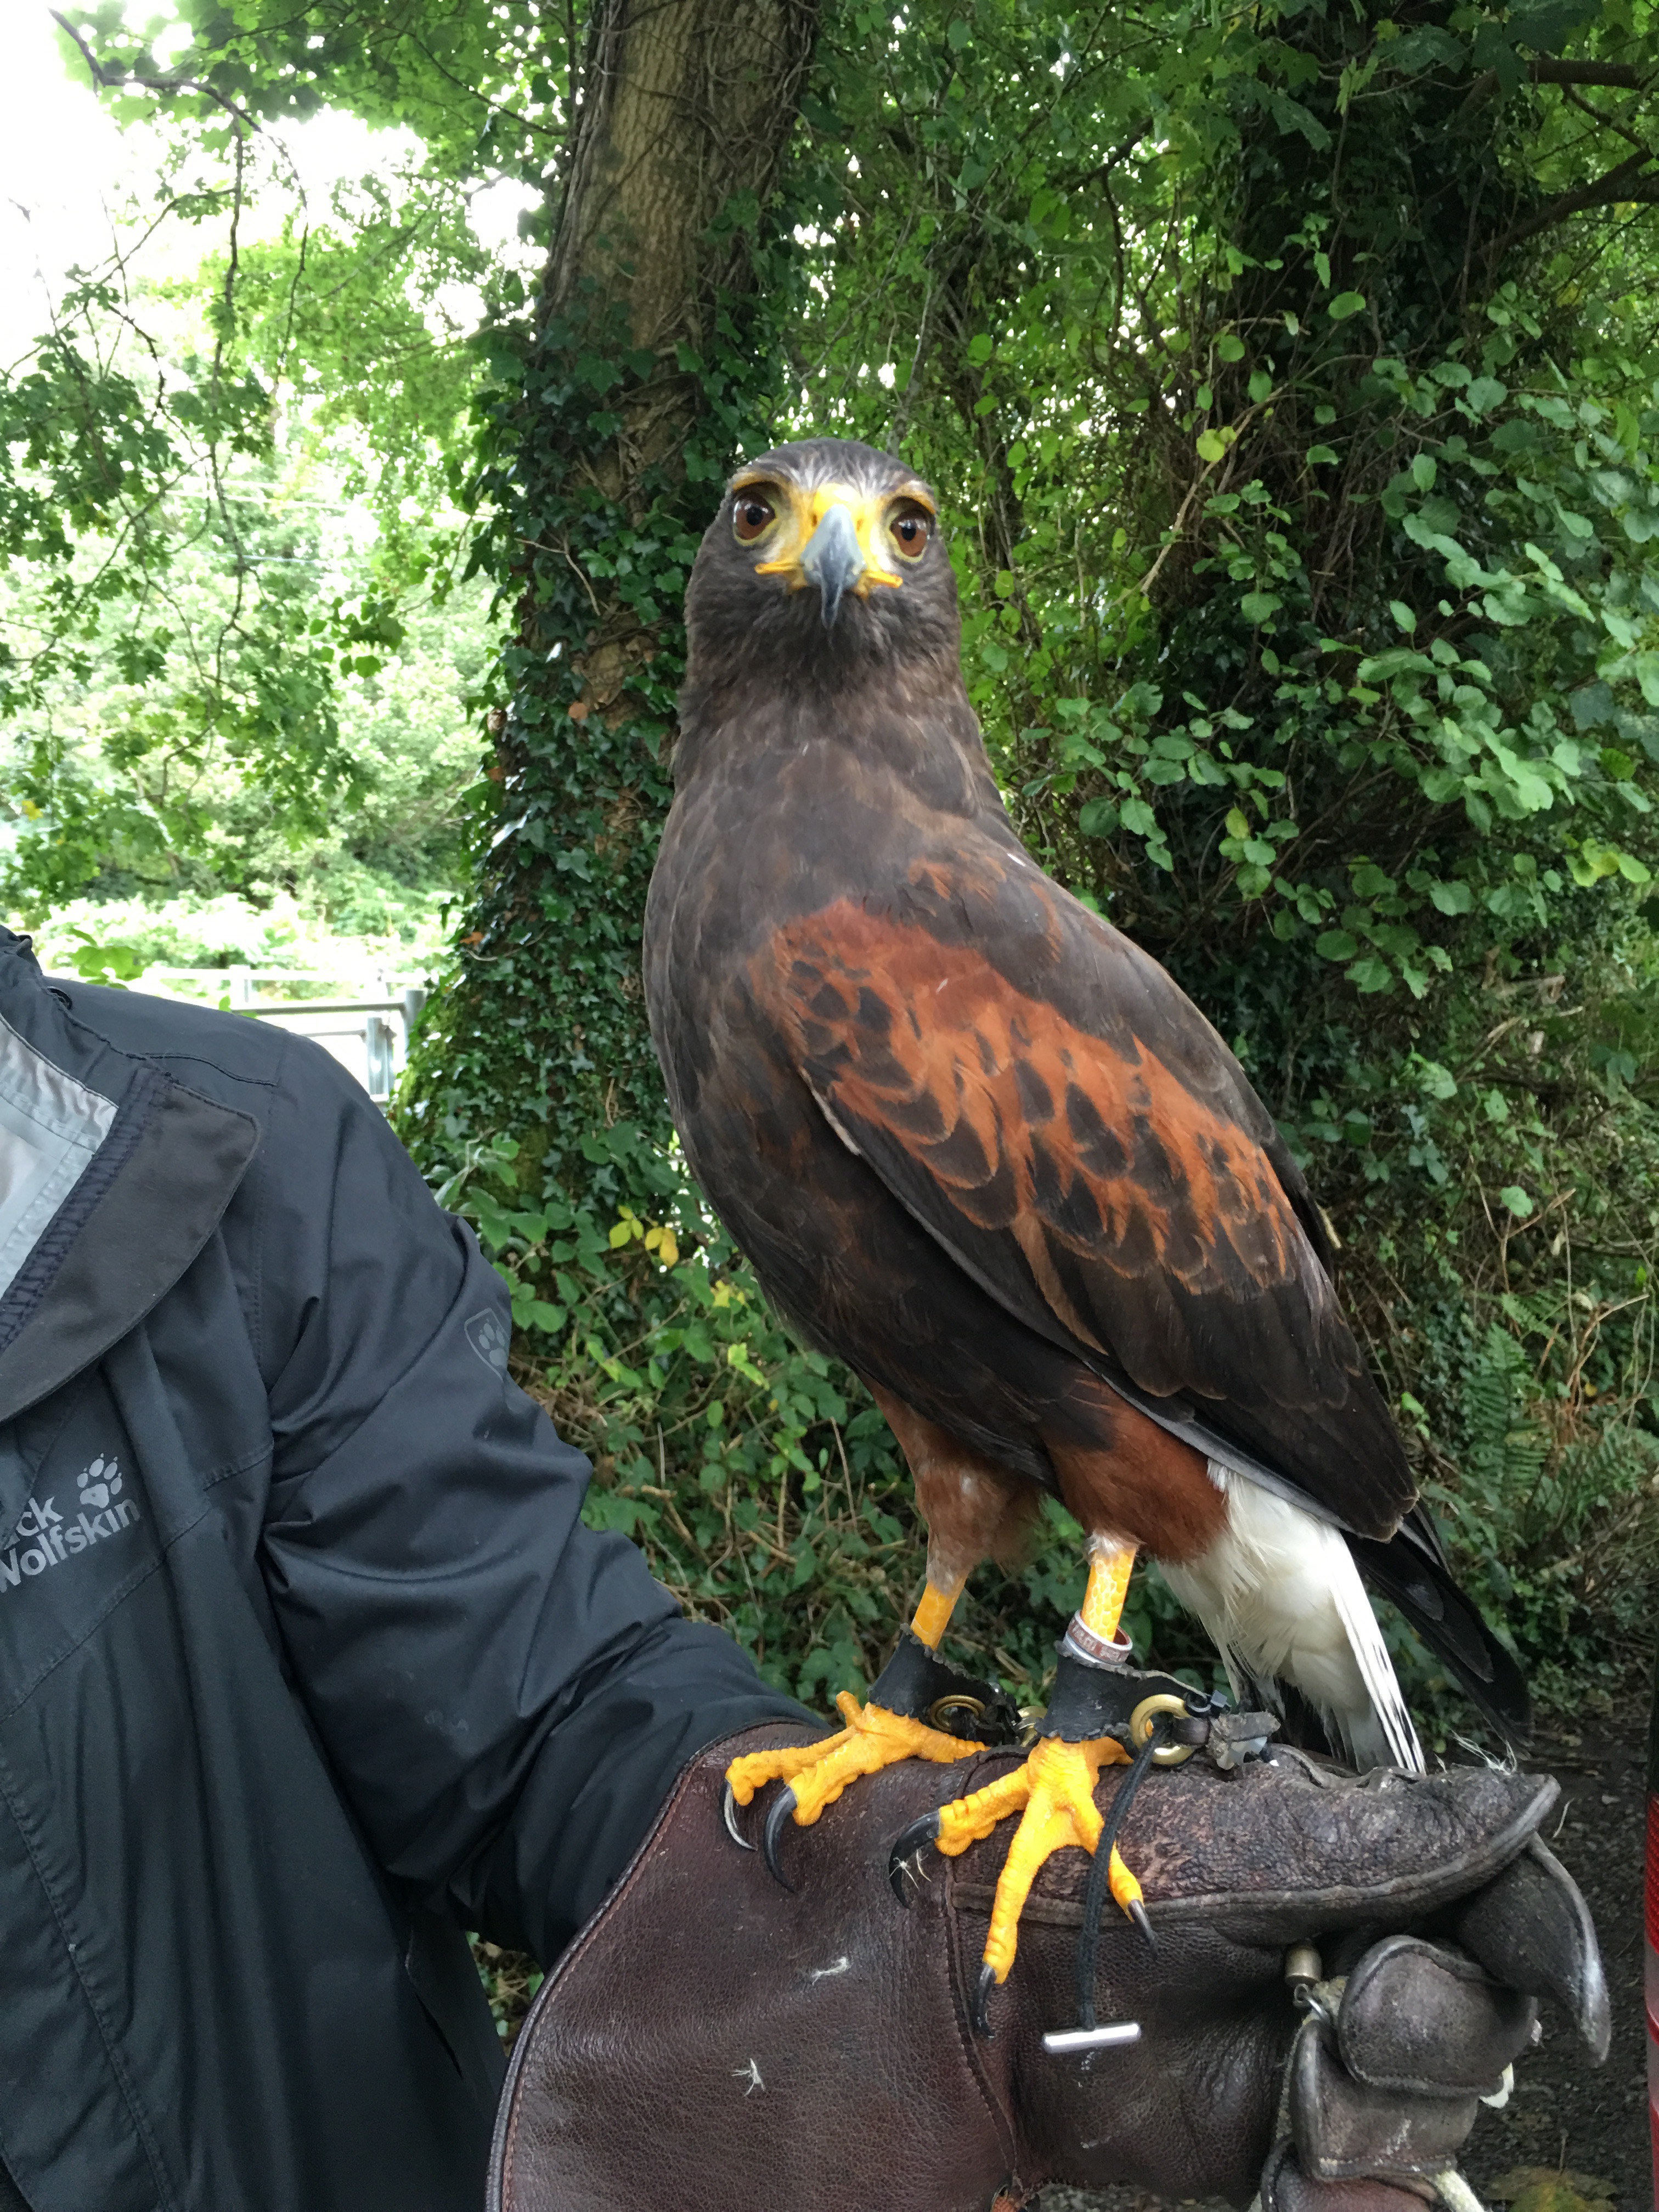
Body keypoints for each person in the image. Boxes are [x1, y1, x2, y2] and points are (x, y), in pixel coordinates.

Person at [0, 929, 1602, 2212]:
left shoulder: (233, 1162)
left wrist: (890, 1906)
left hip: (1207, 1486)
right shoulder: (745, 973)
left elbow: (531, 1710)